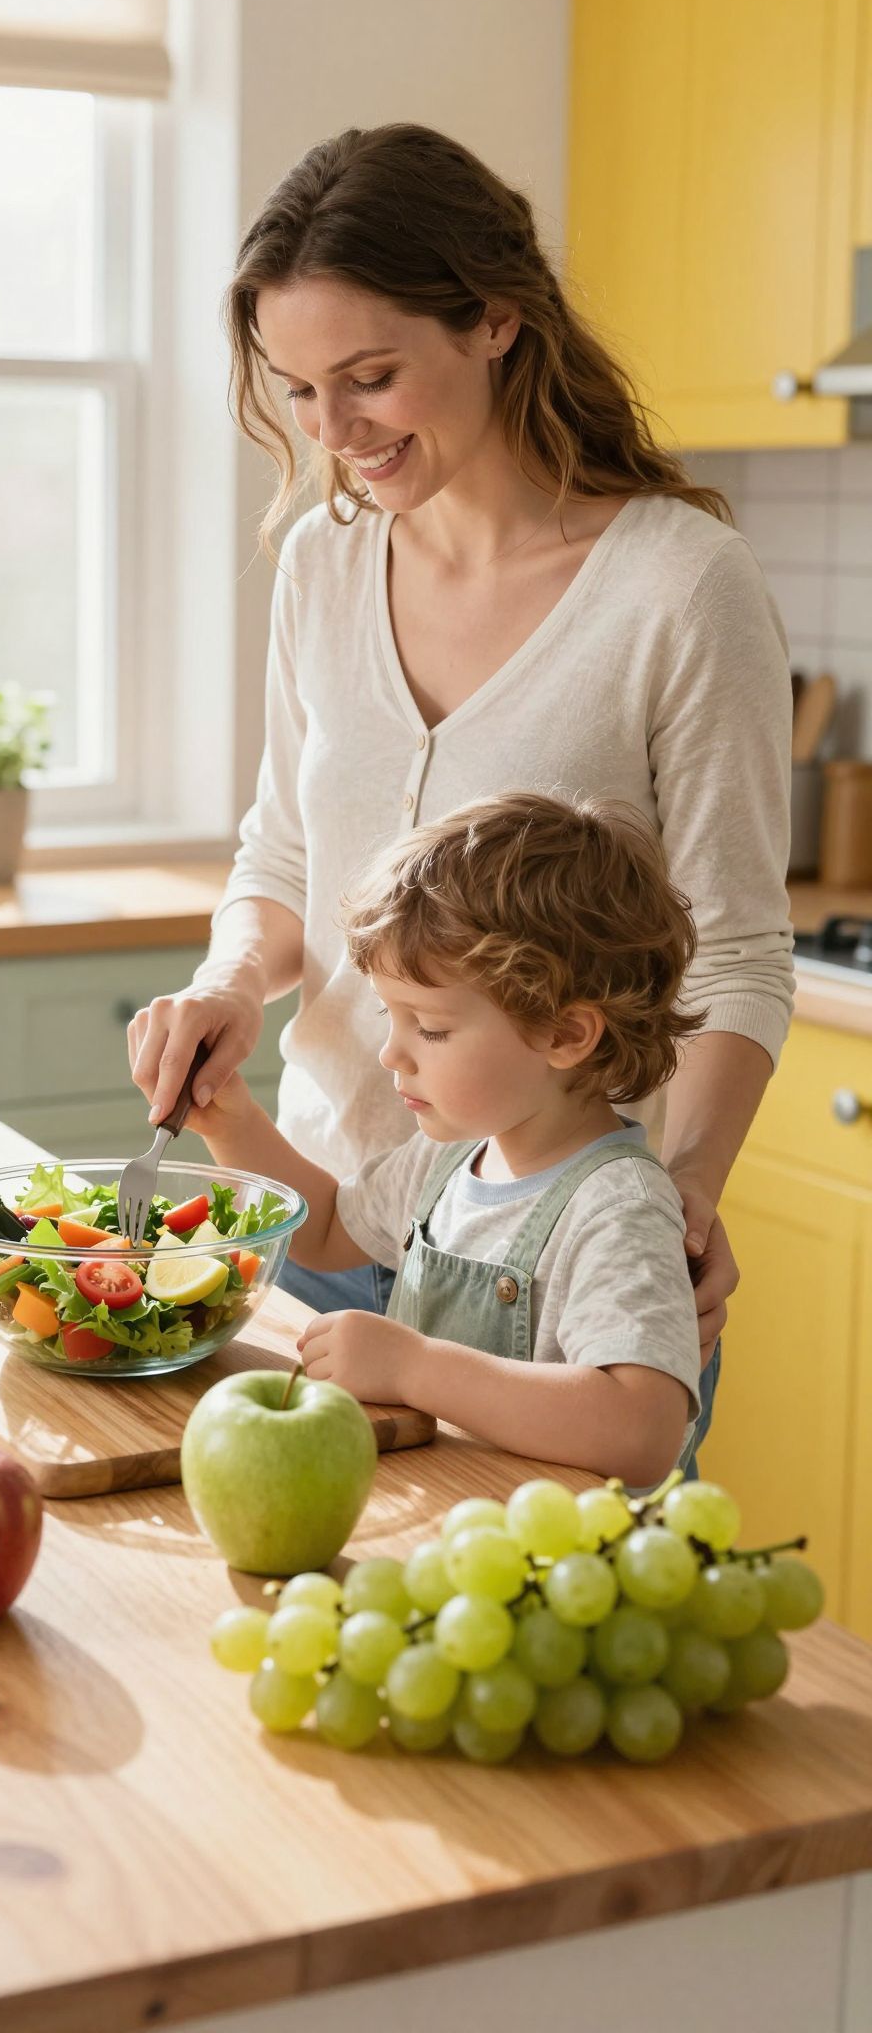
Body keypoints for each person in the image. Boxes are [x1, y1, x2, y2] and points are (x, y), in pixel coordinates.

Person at [127, 122, 794, 1444]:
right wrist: (220, 990)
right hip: (326, 1222)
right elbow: (280, 864)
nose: (333, 432)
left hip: (562, 1270)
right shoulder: (323, 564)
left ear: (494, 320)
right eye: (299, 387)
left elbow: (737, 947)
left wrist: (680, 1197)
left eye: (370, 376)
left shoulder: (675, 586)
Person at [182, 794, 703, 1486]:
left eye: (429, 1027)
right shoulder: (452, 1155)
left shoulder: (618, 1207)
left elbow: (643, 1429)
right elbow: (328, 1227)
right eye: (388, 1016)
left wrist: (417, 1369)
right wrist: (234, 1122)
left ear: (566, 1034)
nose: (391, 1054)